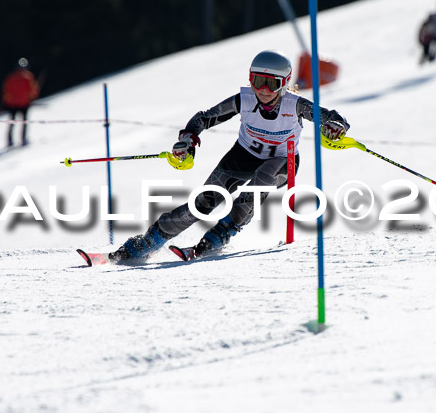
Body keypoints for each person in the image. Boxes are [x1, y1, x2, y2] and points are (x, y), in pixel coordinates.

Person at [108, 50, 350, 262]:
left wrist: (335, 126)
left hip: (281, 162)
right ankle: (149, 241)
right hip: (242, 155)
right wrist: (187, 140)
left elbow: (331, 116)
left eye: (271, 84)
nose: (263, 90)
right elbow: (204, 117)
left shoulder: (295, 105)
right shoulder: (243, 100)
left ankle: (223, 231)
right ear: (250, 79)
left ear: (285, 83)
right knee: (201, 203)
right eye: (258, 81)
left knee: (260, 180)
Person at [2, 57, 39, 147]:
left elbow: (6, 91)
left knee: (12, 122)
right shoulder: (28, 77)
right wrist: (32, 97)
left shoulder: (10, 77)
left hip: (12, 104)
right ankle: (23, 139)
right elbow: (33, 91)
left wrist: (7, 102)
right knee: (24, 122)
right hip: (24, 104)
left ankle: (9, 141)